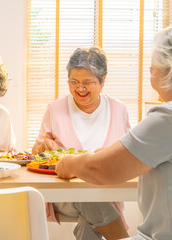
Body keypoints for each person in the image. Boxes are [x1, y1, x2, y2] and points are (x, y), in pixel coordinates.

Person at [56, 27, 172, 240]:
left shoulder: (167, 117)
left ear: (168, 69)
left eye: (153, 63)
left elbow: (101, 168)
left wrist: (68, 163)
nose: (149, 68)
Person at [32, 47, 130, 240]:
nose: (80, 88)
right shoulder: (55, 109)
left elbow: (126, 154)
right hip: (65, 195)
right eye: (73, 82)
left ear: (102, 81)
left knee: (89, 223)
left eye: (87, 82)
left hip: (106, 194)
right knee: (89, 196)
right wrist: (44, 147)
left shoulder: (119, 110)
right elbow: (35, 154)